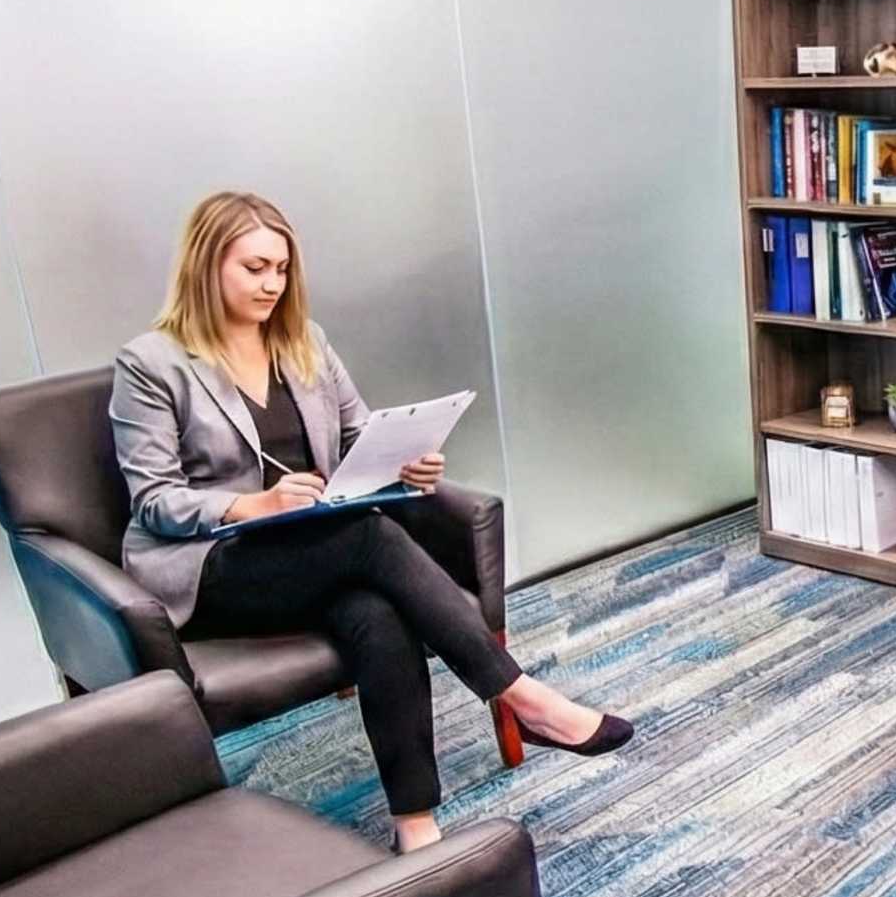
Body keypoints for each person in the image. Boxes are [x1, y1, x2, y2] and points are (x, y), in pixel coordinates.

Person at [111, 191, 630, 853]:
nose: (272, 284)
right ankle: (520, 695)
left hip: (315, 551)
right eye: (255, 268)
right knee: (372, 537)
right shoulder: (151, 363)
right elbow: (153, 499)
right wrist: (253, 504)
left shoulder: (305, 342)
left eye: (282, 269)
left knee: (377, 615)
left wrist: (406, 463)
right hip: (215, 566)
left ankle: (416, 827)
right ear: (206, 265)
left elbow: (358, 436)